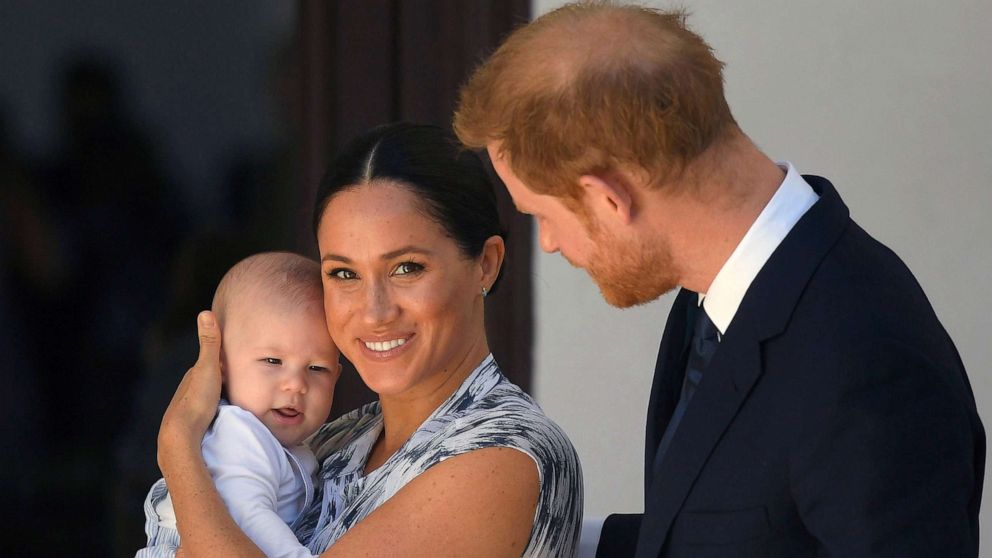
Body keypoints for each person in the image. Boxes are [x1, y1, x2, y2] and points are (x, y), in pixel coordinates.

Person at [453, 3, 984, 557]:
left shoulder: (866, 362)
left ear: (609, 199)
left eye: (542, 215)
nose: (549, 243)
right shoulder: (721, 293)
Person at [155, 123, 583, 557]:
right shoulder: (333, 439)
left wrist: (178, 447)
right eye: (344, 274)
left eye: (406, 268)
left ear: (485, 264)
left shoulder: (499, 455)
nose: (375, 312)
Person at [138, 251, 341, 558]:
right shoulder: (239, 435)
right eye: (273, 361)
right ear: (221, 364)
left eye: (317, 368)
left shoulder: (285, 443)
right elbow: (246, 516)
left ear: (337, 376)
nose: (296, 384)